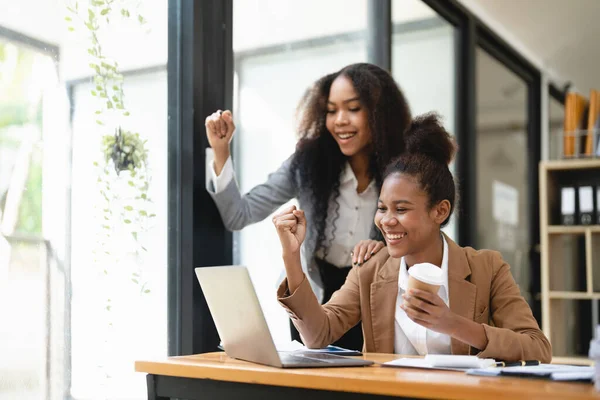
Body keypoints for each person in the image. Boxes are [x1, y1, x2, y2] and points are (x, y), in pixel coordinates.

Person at [273, 113, 551, 362]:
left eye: (401, 209)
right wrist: (291, 257)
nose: (387, 220)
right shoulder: (370, 268)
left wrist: (453, 324)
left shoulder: (487, 269)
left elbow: (537, 348)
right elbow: (318, 334)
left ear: (440, 211)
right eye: (382, 208)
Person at [205, 63, 411, 350]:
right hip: (312, 299)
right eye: (331, 110)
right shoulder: (307, 164)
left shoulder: (405, 171)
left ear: (379, 113)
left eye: (353, 108)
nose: (340, 120)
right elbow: (239, 214)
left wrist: (386, 250)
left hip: (376, 300)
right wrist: (221, 150)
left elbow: (424, 237)